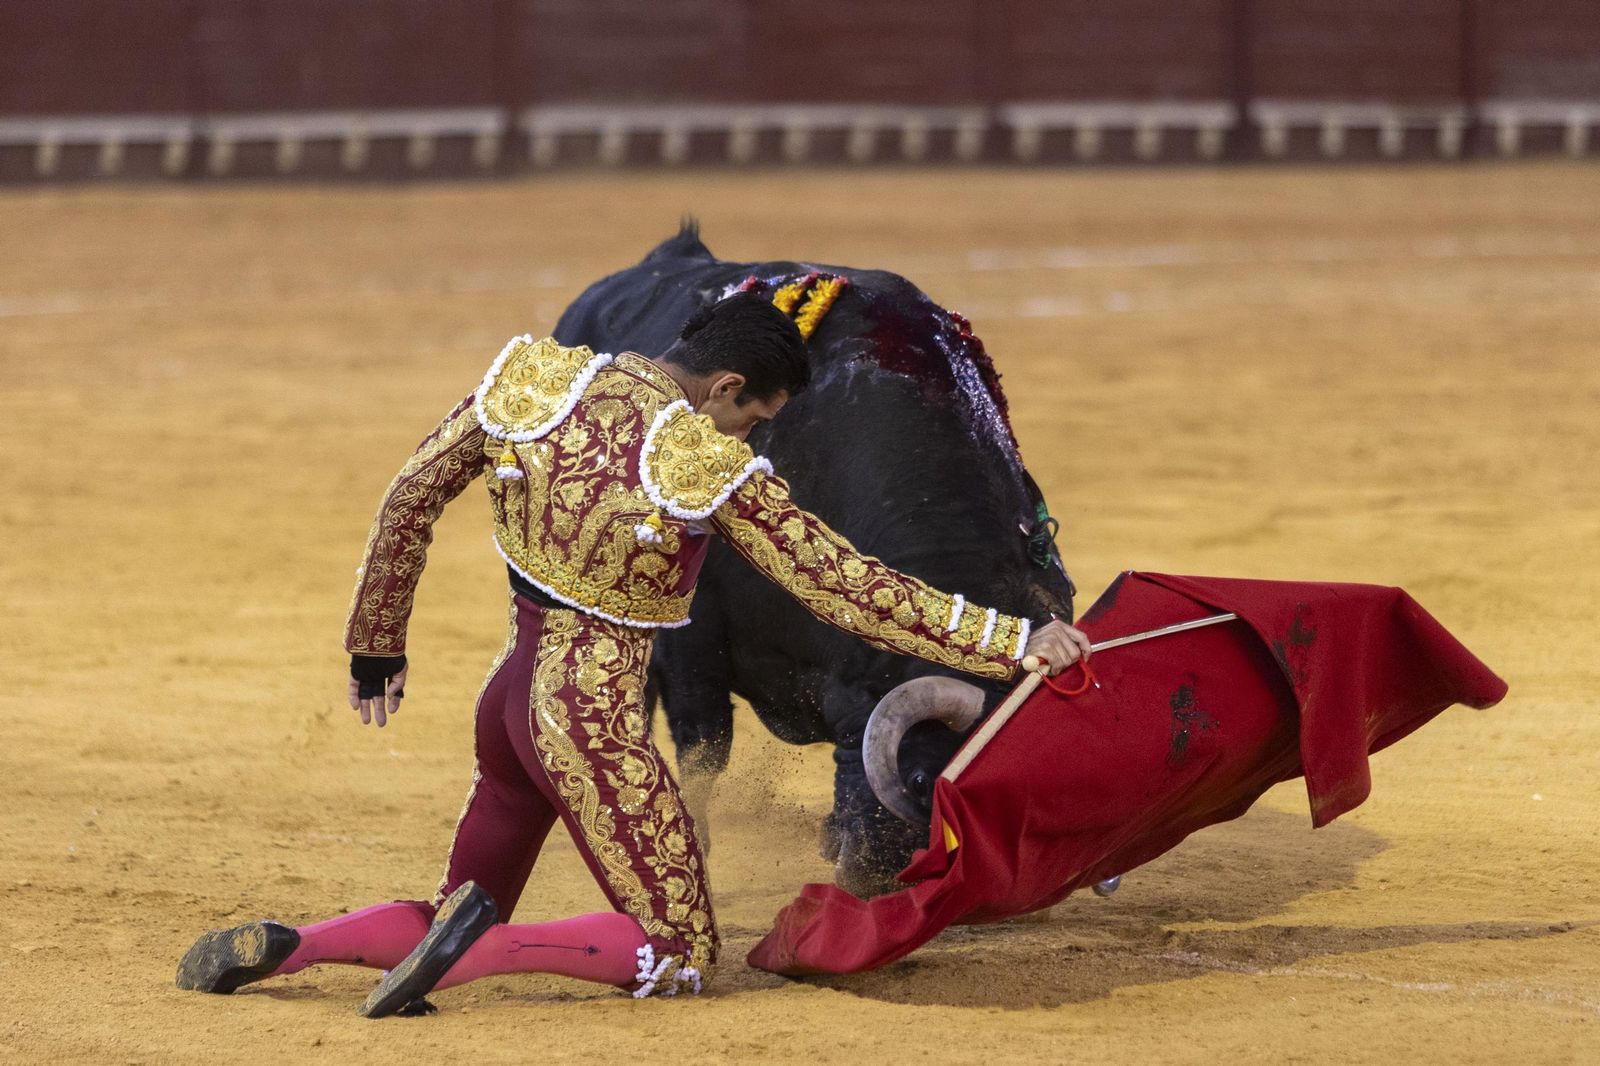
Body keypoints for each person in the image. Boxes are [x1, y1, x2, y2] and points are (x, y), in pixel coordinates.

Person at [176, 291, 1090, 1015]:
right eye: (751, 418)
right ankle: (476, 956)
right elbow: (844, 585)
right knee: (679, 953)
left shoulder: (535, 382)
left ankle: (300, 945)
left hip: (507, 706)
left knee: (462, 896)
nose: (745, 437)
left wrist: (377, 645)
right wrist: (1012, 639)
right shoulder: (695, 458)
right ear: (725, 386)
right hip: (586, 718)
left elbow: (409, 498)